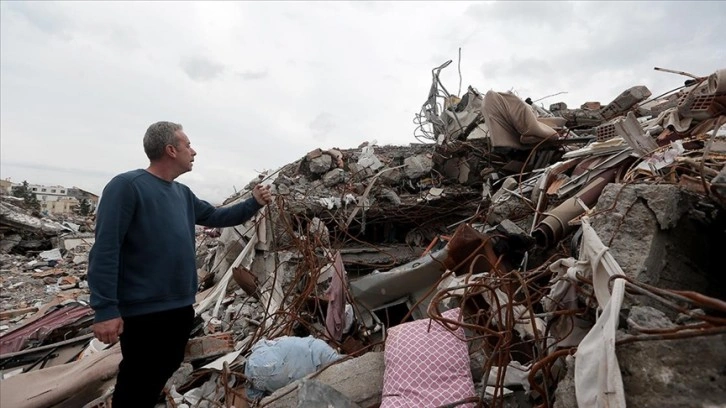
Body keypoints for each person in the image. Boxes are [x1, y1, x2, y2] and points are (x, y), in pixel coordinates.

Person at [88, 121, 272, 407]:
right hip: (143, 311)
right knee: (137, 379)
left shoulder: (182, 194)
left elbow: (218, 217)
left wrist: (254, 202)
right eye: (188, 145)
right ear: (171, 150)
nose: (194, 151)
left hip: (179, 307)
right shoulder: (127, 187)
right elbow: (105, 250)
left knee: (164, 368)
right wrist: (105, 309)